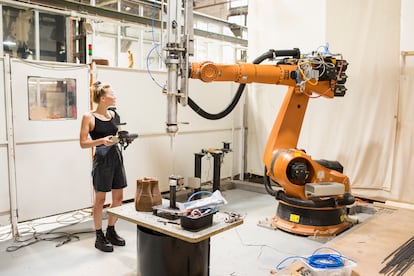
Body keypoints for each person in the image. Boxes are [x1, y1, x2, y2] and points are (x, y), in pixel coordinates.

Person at [79, 81, 127, 252]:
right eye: (112, 93)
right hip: (101, 158)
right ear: (103, 98)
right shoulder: (89, 117)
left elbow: (117, 135)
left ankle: (111, 230)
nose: (115, 96)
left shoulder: (114, 115)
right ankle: (99, 236)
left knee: (118, 198)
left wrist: (124, 139)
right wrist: (101, 141)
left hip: (116, 156)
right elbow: (83, 143)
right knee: (100, 200)